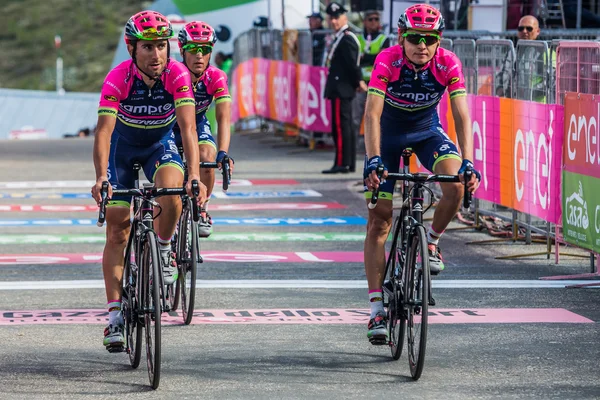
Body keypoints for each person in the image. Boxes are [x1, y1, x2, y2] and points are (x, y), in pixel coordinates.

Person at [362, 4, 480, 343]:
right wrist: (372, 160)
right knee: (380, 220)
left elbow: (461, 116)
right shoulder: (387, 60)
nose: (422, 45)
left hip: (427, 132)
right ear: (402, 37)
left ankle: (431, 242)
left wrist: (469, 161)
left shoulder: (447, 63)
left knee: (456, 186)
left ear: (439, 40)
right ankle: (375, 311)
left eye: (429, 38)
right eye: (414, 38)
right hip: (386, 138)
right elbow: (372, 115)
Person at [91, 11, 206, 351]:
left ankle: (166, 248)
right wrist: (100, 177)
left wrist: (195, 176)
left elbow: (188, 129)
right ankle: (114, 316)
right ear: (132, 49)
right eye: (147, 47)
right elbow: (103, 132)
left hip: (160, 145)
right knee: (117, 228)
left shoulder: (178, 74)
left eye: (161, 46)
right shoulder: (117, 79)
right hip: (121, 151)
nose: (156, 55)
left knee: (172, 195)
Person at [175, 21, 234, 237]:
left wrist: (223, 152)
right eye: (193, 49)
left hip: (198, 124)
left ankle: (202, 208)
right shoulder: (172, 72)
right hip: (169, 126)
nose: (199, 55)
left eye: (206, 49)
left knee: (207, 158)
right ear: (182, 50)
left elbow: (223, 117)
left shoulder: (216, 76)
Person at [322, 2, 366, 174]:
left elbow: (352, 65)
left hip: (343, 88)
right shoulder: (341, 37)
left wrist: (358, 82)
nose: (333, 21)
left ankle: (342, 163)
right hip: (340, 88)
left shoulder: (347, 38)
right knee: (342, 127)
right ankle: (346, 162)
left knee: (341, 128)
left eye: (336, 17)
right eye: (331, 18)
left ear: (344, 18)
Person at [354, 10, 390, 145]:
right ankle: (354, 145)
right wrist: (371, 58)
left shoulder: (383, 39)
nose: (374, 22)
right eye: (370, 19)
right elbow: (355, 60)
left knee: (376, 115)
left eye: (376, 19)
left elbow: (381, 59)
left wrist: (366, 58)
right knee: (356, 116)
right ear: (365, 22)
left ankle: (376, 145)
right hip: (360, 82)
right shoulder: (358, 39)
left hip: (377, 83)